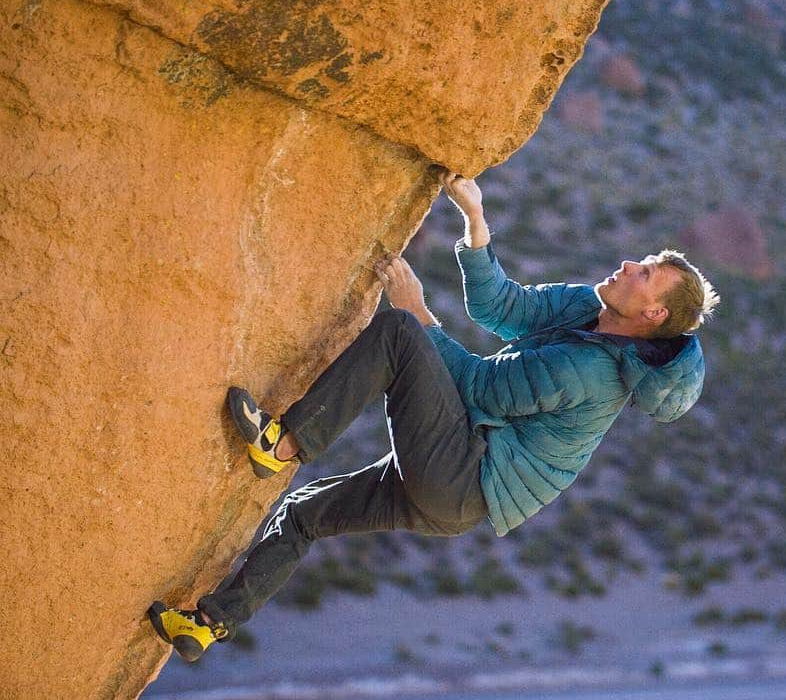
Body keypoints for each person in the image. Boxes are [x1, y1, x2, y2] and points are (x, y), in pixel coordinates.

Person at [148, 170, 718, 661]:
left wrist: (417, 309)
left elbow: (480, 388)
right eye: (639, 262)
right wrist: (475, 218)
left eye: (643, 273)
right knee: (303, 513)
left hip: (464, 477)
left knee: (399, 332)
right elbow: (503, 307)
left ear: (653, 312)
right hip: (456, 477)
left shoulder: (591, 374)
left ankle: (282, 446)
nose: (626, 265)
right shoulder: (590, 309)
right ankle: (208, 623)